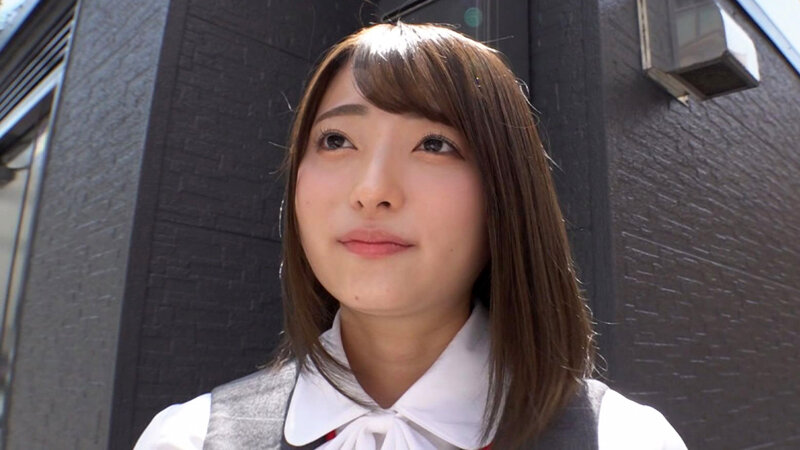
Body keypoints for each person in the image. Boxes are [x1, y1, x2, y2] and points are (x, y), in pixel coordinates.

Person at [135, 22, 687, 450]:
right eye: (336, 140)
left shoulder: (624, 439)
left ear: (507, 191)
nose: (372, 191)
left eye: (434, 144)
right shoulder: (189, 438)